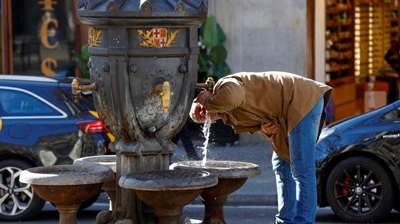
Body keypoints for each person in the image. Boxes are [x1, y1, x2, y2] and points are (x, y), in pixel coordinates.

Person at [189, 71, 333, 224]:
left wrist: (207, 101)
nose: (205, 114)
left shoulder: (224, 85)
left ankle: (302, 221)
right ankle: (285, 220)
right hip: (285, 112)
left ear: (208, 94)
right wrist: (262, 127)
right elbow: (260, 119)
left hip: (303, 100)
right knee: (282, 166)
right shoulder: (229, 114)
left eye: (203, 110)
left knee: (302, 169)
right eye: (202, 117)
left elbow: (233, 97)